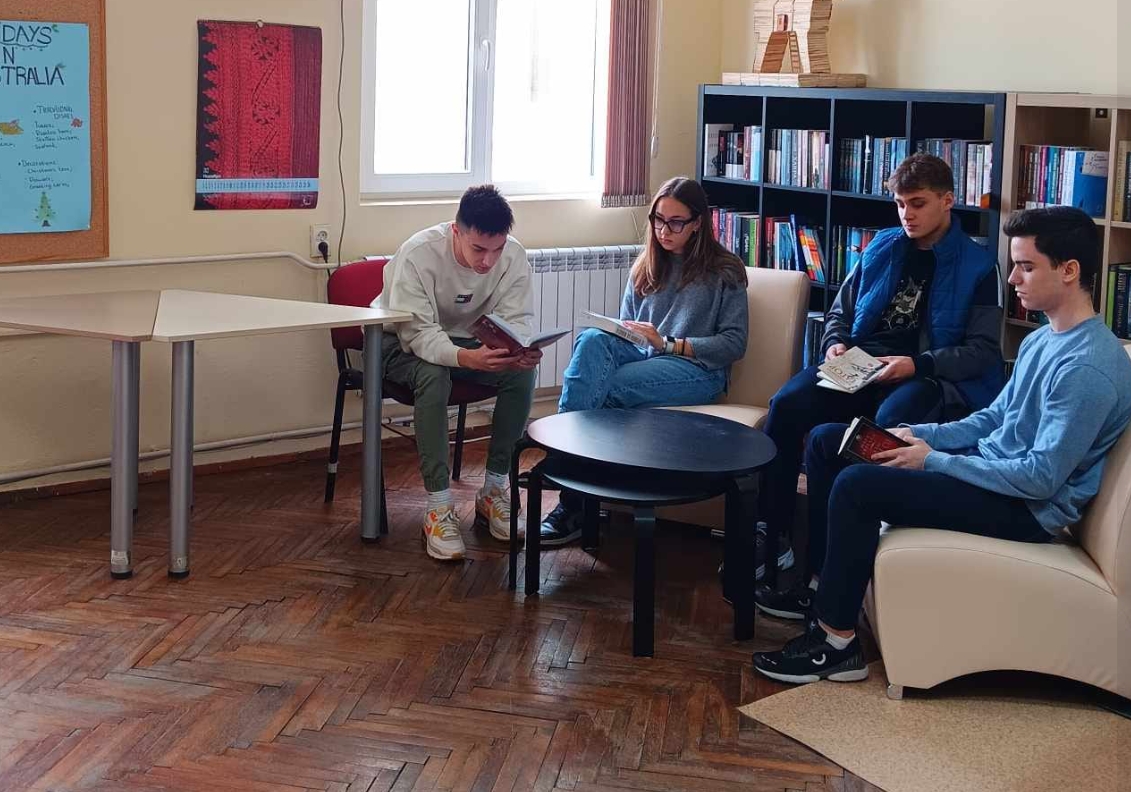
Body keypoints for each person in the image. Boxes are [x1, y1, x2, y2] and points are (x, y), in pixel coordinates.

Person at [752, 206, 1131, 684]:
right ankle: (820, 589)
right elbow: (993, 418)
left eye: (1026, 266)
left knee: (858, 487)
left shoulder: (1087, 368)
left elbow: (1040, 479)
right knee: (832, 441)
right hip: (992, 474)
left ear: (1069, 270)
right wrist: (920, 435)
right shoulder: (1044, 339)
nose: (1013, 278)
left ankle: (835, 643)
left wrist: (933, 460)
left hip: (1026, 510)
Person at [754, 153, 1005, 584]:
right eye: (900, 204)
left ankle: (829, 564)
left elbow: (982, 351)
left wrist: (916, 363)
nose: (907, 214)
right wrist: (835, 343)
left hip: (927, 374)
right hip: (861, 362)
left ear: (947, 201)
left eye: (918, 203)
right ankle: (773, 533)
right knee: (786, 404)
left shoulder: (979, 266)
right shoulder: (882, 246)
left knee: (880, 428)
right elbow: (840, 312)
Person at [539, 176, 750, 545]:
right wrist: (623, 333)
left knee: (607, 388)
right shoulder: (646, 265)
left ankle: (571, 491)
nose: (664, 231)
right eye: (658, 220)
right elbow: (628, 328)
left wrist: (668, 343)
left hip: (697, 369)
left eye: (676, 222)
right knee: (591, 340)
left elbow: (734, 344)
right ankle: (575, 480)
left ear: (698, 222)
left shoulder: (725, 271)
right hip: (644, 355)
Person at [374, 185, 539, 561]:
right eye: (478, 249)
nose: (488, 261)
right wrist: (467, 359)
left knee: (519, 373)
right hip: (397, 342)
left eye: (497, 249)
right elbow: (418, 333)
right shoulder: (419, 253)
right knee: (434, 375)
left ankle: (494, 489)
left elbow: (516, 319)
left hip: (466, 342)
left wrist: (517, 350)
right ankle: (438, 506)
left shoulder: (513, 255)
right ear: (456, 231)